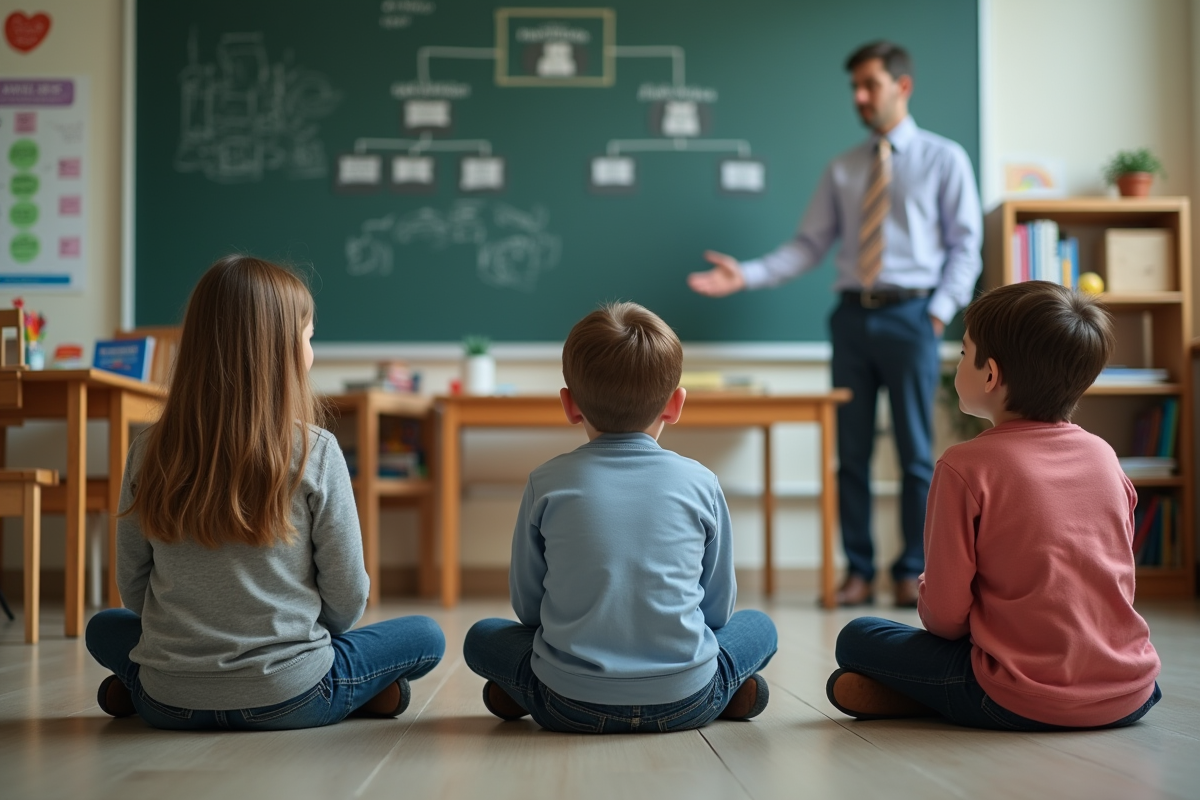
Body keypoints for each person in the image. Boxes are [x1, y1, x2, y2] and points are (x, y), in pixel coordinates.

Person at [85, 255, 445, 730]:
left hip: (167, 701)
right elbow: (348, 595)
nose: (312, 350)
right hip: (291, 695)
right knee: (425, 635)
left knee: (104, 627)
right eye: (310, 337)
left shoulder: (148, 448)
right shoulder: (317, 450)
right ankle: (360, 692)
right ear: (284, 350)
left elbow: (132, 587)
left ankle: (137, 683)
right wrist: (310, 640)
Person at [688, 41, 983, 607]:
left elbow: (965, 247)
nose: (860, 97)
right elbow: (808, 246)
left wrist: (939, 313)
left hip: (914, 316)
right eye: (854, 88)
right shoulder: (844, 168)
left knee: (917, 452)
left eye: (870, 85)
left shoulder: (945, 160)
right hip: (851, 318)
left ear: (903, 86)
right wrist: (744, 276)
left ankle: (911, 571)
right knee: (850, 453)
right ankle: (859, 570)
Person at [825, 281, 1161, 730]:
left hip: (1017, 696)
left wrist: (937, 586)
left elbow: (944, 621)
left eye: (964, 353)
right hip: (1131, 690)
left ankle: (932, 696)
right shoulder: (1104, 455)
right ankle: (930, 695)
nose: (958, 361)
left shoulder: (965, 465)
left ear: (990, 375)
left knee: (857, 638)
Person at [462, 302, 778, 732]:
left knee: (483, 635)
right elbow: (718, 612)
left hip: (567, 703)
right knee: (759, 626)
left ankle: (521, 691)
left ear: (569, 405)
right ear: (675, 405)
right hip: (686, 700)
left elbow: (529, 609)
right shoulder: (703, 482)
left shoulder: (547, 481)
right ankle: (726, 689)